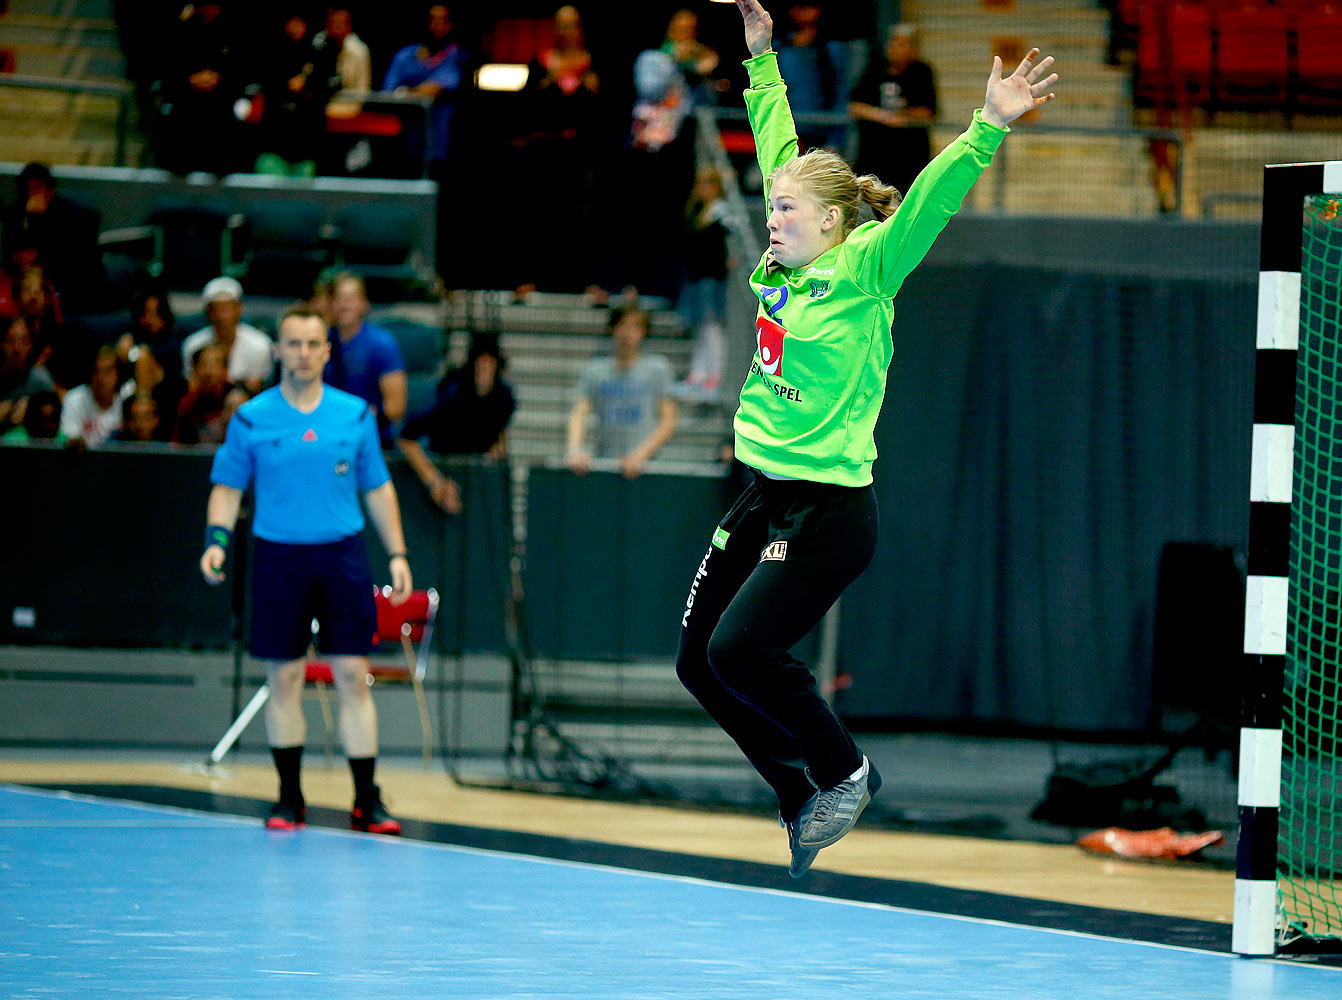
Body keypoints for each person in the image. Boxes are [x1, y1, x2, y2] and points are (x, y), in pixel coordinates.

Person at [677, 0, 1057, 878]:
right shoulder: (783, 257)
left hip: (829, 512)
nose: (772, 218)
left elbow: (927, 203)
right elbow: (777, 145)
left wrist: (986, 128)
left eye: (787, 210)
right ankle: (798, 793)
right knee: (699, 663)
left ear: (835, 225)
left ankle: (845, 772)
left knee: (743, 651)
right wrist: (762, 60)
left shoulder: (865, 270)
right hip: (762, 492)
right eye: (773, 207)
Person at [199, 305, 414, 834]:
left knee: (352, 678)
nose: (302, 353)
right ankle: (288, 797)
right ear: (277, 351)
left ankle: (367, 800)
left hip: (341, 556)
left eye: (312, 344)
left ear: (326, 351)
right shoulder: (252, 418)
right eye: (292, 343)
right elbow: (227, 489)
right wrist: (216, 541)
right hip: (278, 557)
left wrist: (399, 553)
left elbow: (378, 487)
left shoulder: (355, 415)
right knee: (285, 678)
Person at [397, 333, 515, 513]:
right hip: (439, 467)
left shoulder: (505, 398)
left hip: (476, 484)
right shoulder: (452, 396)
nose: (484, 368)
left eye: (490, 362)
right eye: (480, 361)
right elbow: (405, 437)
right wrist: (435, 481)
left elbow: (498, 431)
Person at [565, 304, 677, 479]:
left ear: (643, 331)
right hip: (604, 463)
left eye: (635, 326)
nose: (627, 332)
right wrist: (575, 450)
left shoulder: (658, 368)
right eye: (623, 325)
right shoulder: (595, 370)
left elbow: (668, 420)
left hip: (646, 466)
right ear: (613, 329)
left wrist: (640, 454)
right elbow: (579, 412)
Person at [848, 23, 938, 197]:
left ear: (913, 48)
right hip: (873, 155)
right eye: (892, 44)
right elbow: (855, 106)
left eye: (902, 44)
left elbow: (928, 112)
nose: (895, 49)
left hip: (910, 157)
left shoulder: (922, 72)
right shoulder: (874, 69)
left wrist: (903, 117)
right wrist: (883, 117)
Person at [322, 272, 407, 446]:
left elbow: (396, 408)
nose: (344, 305)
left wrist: (357, 417)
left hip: (372, 437)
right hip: (326, 433)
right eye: (339, 298)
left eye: (351, 298)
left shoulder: (381, 344)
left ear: (364, 304)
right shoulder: (319, 341)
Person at [180, 276, 273, 394]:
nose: (222, 315)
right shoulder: (192, 344)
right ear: (208, 311)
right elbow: (193, 388)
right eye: (217, 309)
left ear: (239, 308)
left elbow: (257, 390)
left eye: (227, 308)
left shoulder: (260, 344)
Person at [60, 345, 129, 447]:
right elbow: (70, 441)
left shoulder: (128, 397)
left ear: (118, 374)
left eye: (108, 371)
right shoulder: (74, 399)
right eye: (97, 372)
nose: (101, 378)